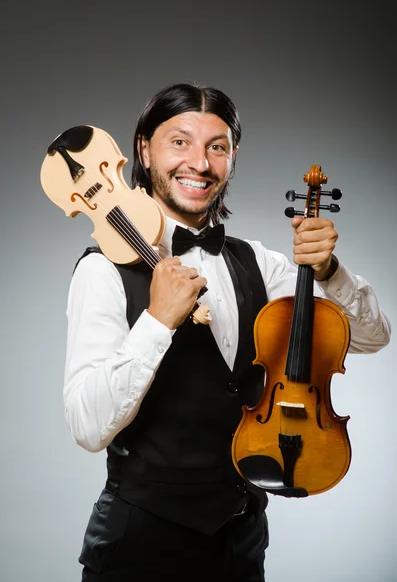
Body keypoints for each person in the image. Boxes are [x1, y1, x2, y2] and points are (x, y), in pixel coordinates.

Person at [64, 82, 391, 582]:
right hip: (140, 547)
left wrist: (329, 273)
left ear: (232, 158)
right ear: (143, 150)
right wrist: (156, 322)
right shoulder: (102, 271)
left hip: (241, 543)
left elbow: (371, 338)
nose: (199, 162)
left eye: (217, 146)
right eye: (179, 142)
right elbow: (88, 426)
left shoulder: (259, 262)